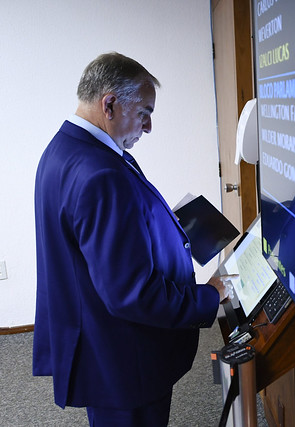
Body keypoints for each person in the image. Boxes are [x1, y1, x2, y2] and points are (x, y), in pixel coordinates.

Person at [33, 52, 232, 426]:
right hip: (123, 358)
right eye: (144, 112)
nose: (149, 126)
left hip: (102, 343)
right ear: (109, 104)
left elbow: (94, 240)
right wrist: (209, 296)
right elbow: (132, 293)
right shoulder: (100, 173)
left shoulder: (65, 149)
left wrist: (157, 224)